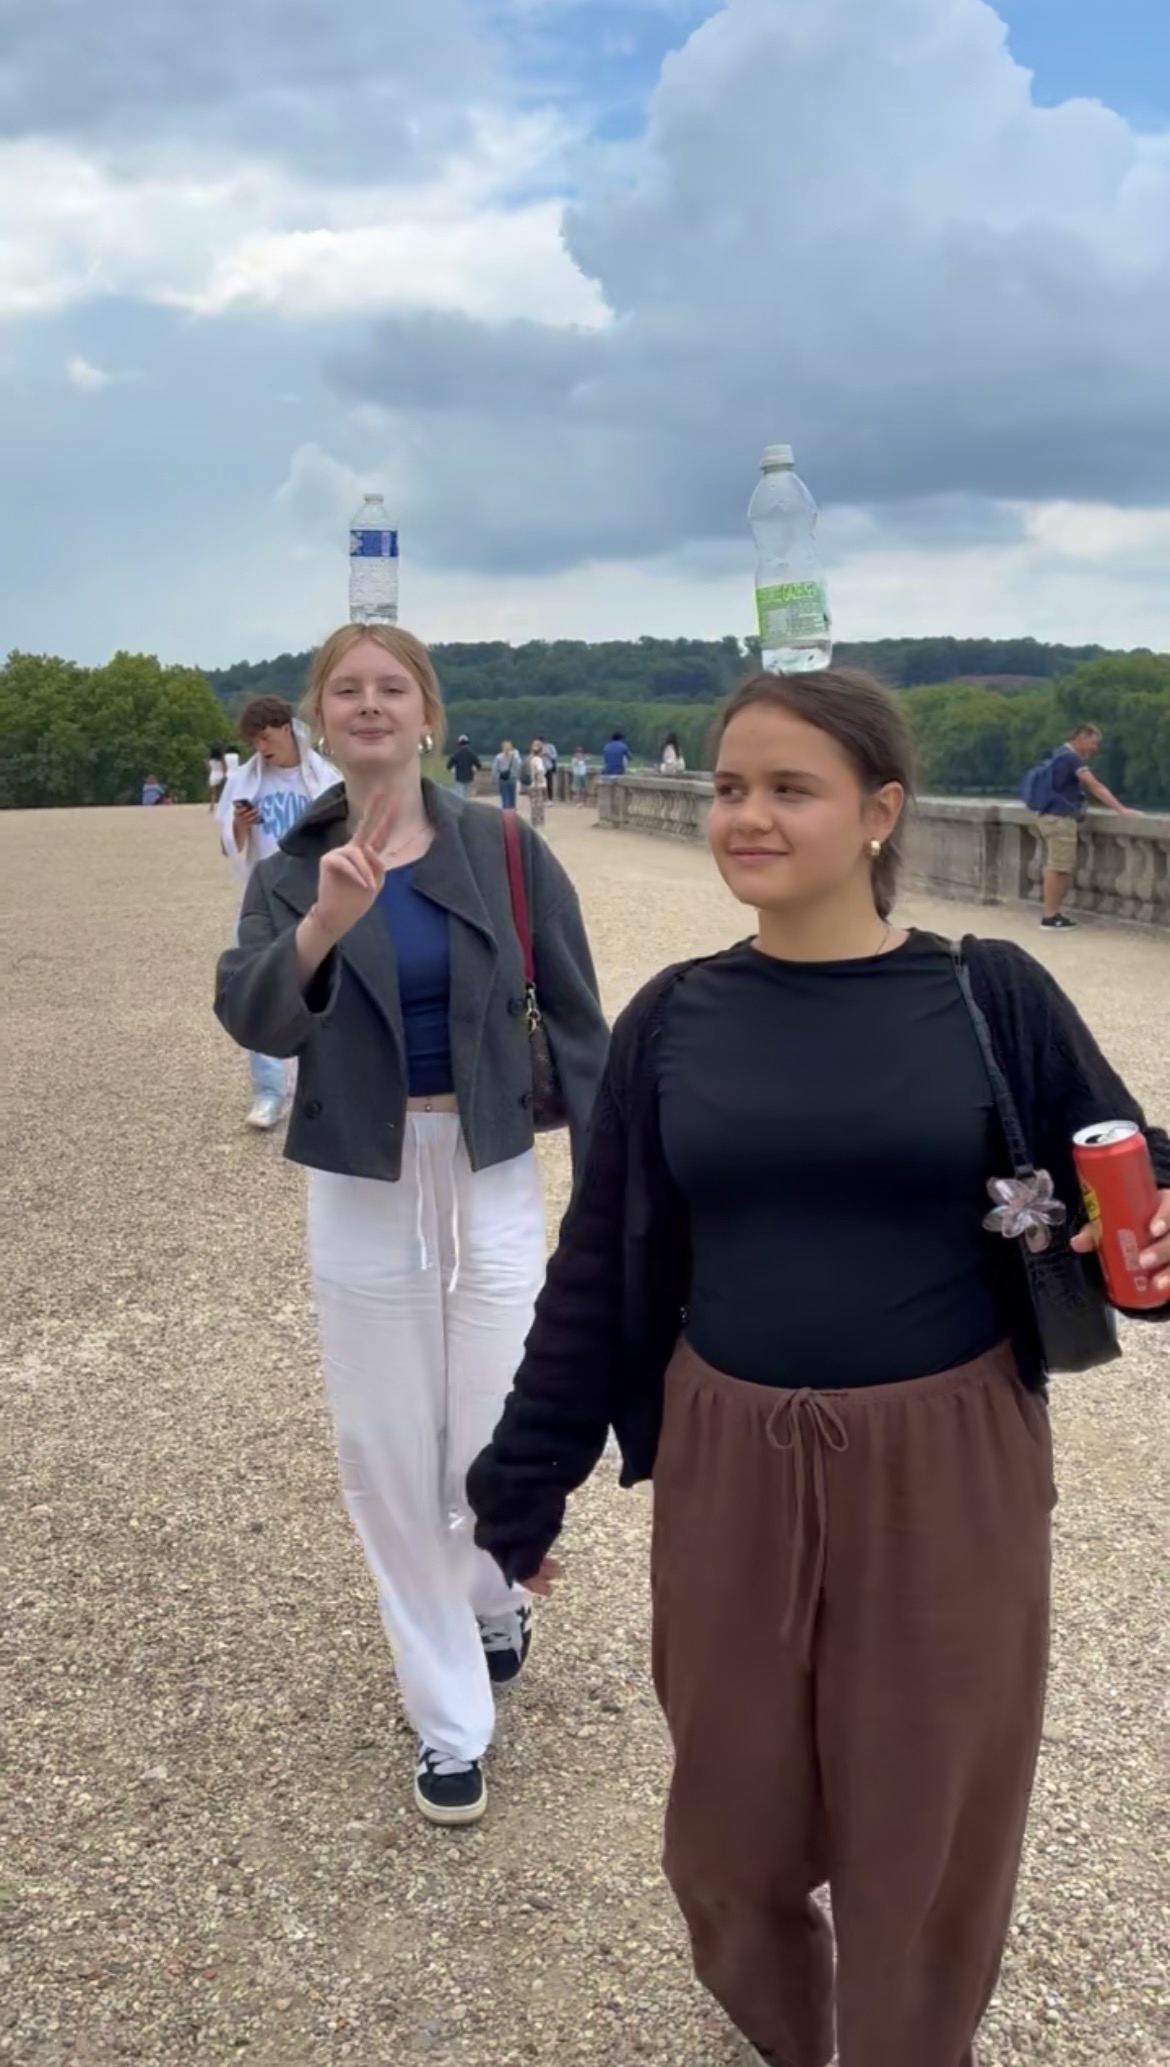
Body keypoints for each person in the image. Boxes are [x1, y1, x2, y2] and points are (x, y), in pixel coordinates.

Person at [468, 668, 1170, 2067]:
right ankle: (791, 2033)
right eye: (732, 786)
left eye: (791, 788)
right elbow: (599, 1266)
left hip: (948, 1459)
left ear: (879, 812)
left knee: (926, 1824)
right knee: (728, 1836)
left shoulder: (990, 994)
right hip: (727, 1457)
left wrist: (1146, 1230)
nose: (748, 814)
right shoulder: (676, 1016)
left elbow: (1123, 1176)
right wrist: (523, 1482)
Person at [214, 624, 608, 1828]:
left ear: (429, 714)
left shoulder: (505, 848)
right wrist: (323, 926)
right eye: (348, 690)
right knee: (386, 1446)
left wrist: (614, 1194)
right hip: (364, 1175)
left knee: (491, 1427)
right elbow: (252, 1015)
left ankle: (492, 1590)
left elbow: (581, 1028)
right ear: (320, 721)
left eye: (393, 687)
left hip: (488, 1165)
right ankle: (448, 1715)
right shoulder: (294, 864)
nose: (371, 705)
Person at [216, 696, 337, 1130]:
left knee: (324, 992)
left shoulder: (325, 779)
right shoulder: (245, 782)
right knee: (261, 990)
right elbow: (229, 845)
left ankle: (320, 1086)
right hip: (263, 898)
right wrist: (240, 826)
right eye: (254, 741)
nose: (261, 748)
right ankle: (269, 1092)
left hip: (313, 898)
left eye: (266, 737)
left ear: (286, 728)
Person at [1029, 724, 1135, 930]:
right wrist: (1120, 809)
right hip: (1060, 819)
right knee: (1058, 867)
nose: (1095, 749)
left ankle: (1052, 914)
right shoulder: (1071, 758)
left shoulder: (1057, 754)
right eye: (1093, 743)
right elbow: (1094, 785)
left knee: (1057, 865)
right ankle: (1050, 916)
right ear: (1081, 738)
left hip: (1049, 817)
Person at [447, 736, 482, 802]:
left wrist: (453, 769)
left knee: (460, 796)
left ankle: (460, 807)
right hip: (469, 777)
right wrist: (474, 769)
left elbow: (449, 766)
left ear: (459, 744)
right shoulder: (472, 754)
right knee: (466, 796)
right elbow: (478, 765)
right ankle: (465, 807)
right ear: (468, 744)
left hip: (459, 778)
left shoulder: (456, 754)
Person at [527, 740, 549, 829]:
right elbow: (540, 770)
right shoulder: (538, 760)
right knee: (539, 804)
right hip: (538, 785)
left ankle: (534, 821)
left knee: (534, 804)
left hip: (532, 784)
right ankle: (538, 823)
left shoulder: (531, 759)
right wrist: (540, 780)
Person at [493, 741, 522, 809]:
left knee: (505, 796)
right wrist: (518, 776)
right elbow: (518, 767)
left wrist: (494, 779)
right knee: (512, 797)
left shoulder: (498, 757)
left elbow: (495, 769)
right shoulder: (515, 757)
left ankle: (506, 809)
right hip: (512, 778)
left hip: (502, 779)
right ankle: (512, 810)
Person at [208, 744, 228, 810]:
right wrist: (225, 774)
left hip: (213, 775)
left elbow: (210, 768)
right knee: (222, 792)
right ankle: (222, 806)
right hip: (220, 774)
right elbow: (224, 767)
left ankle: (212, 806)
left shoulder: (211, 760)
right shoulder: (221, 759)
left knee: (213, 793)